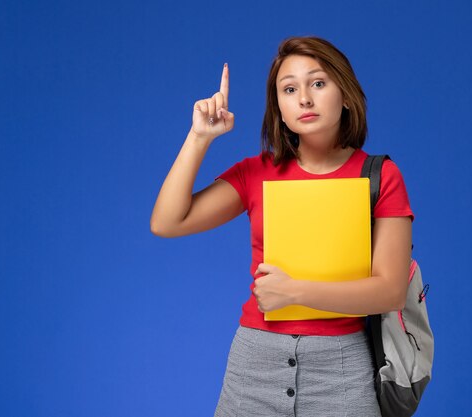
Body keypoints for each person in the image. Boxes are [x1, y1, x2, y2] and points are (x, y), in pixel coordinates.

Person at [150, 36, 414, 417]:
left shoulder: (380, 176)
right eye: (289, 89)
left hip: (341, 369)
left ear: (345, 94)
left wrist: (294, 292)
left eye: (318, 83)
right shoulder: (257, 172)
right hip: (254, 365)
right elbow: (167, 222)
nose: (304, 98)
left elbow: (390, 292)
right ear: (280, 108)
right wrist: (199, 137)